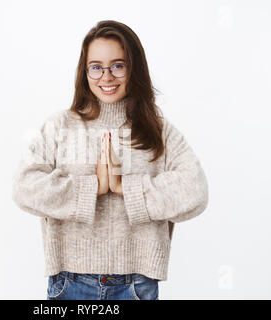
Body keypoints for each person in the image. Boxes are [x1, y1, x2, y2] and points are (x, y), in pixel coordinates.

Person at [12, 20, 209, 300]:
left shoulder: (158, 130)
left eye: (118, 65)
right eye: (96, 67)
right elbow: (24, 188)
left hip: (137, 285)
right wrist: (93, 187)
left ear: (134, 68)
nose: (107, 77)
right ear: (85, 71)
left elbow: (195, 192)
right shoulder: (59, 127)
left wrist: (124, 187)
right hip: (69, 282)